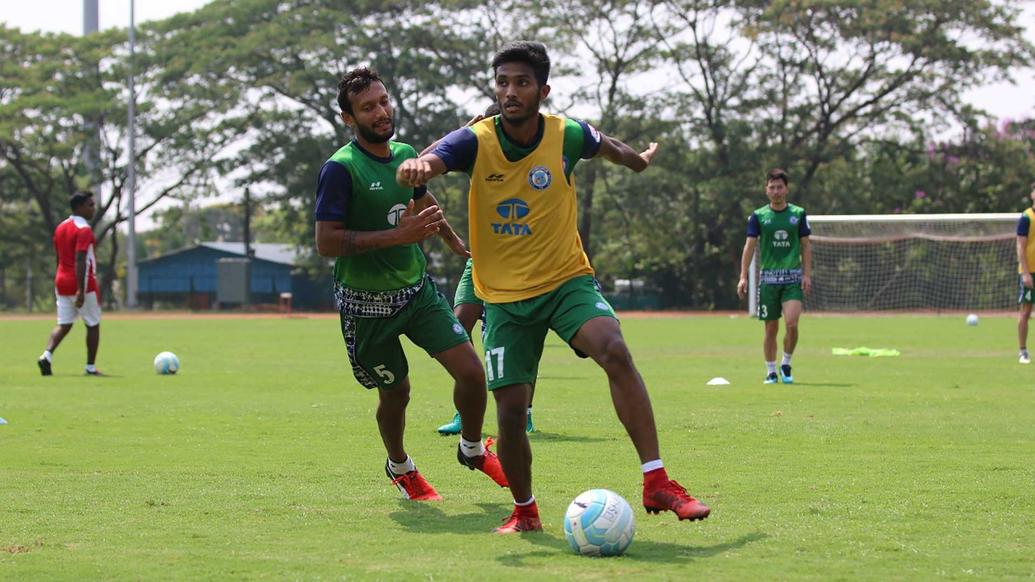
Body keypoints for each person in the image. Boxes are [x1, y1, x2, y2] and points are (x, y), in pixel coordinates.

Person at [396, 41, 710, 533]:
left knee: (615, 350)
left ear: (542, 90)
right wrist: (420, 166)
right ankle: (525, 511)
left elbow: (614, 149)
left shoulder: (567, 135)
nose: (510, 91)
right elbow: (435, 157)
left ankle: (658, 481)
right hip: (502, 297)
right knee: (513, 409)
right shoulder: (476, 140)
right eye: (502, 82)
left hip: (565, 280)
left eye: (521, 82)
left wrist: (640, 162)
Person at [314, 66, 508, 501]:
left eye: (383, 101)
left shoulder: (404, 152)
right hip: (366, 307)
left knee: (472, 374)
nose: (381, 111)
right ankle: (400, 466)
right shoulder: (340, 169)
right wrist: (399, 236)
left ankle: (473, 449)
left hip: (417, 293)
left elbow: (422, 200)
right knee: (396, 391)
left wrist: (455, 241)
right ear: (349, 118)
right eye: (368, 107)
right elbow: (326, 242)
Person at [433, 103, 538, 436]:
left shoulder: (532, 156)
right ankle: (466, 412)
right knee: (458, 326)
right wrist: (465, 129)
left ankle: (525, 411)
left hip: (518, 264)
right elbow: (430, 160)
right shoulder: (477, 149)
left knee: (519, 339)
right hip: (479, 260)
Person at [736, 169, 812, 384]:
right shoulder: (758, 216)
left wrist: (807, 274)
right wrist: (743, 276)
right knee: (771, 328)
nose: (776, 191)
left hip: (792, 279)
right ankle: (770, 370)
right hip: (768, 280)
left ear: (786, 189)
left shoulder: (798, 214)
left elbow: (806, 246)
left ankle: (786, 363)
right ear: (766, 190)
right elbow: (749, 247)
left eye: (780, 187)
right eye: (772, 187)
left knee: (792, 324)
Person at [38, 191, 102, 376]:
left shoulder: (60, 227)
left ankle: (46, 356)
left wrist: (60, 279)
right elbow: (81, 259)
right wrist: (81, 291)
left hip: (61, 280)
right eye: (90, 205)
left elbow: (58, 256)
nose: (93, 208)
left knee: (64, 323)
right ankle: (90, 367)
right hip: (82, 282)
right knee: (92, 324)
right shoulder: (84, 229)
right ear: (80, 207)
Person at [1015, 183, 1035, 364]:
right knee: (1026, 312)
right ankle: (1023, 351)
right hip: (1030, 272)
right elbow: (1020, 247)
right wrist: (1026, 274)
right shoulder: (1026, 217)